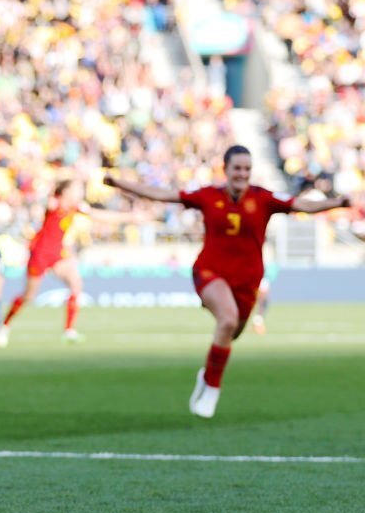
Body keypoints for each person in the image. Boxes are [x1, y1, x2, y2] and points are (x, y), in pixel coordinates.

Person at [105, 145, 351, 418]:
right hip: (211, 271)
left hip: (247, 280)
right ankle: (212, 387)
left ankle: (207, 374)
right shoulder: (208, 195)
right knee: (228, 320)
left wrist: (338, 203)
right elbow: (164, 194)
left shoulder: (264, 198)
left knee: (231, 332)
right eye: (237, 168)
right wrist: (119, 183)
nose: (242, 173)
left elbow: (303, 204)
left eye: (247, 169)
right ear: (226, 169)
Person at [0, 179, 89, 345]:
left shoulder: (75, 208)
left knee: (76, 283)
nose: (80, 192)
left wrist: (131, 217)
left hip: (57, 255)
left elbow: (102, 216)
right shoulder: (55, 204)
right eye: (76, 188)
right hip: (39, 254)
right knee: (29, 295)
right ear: (66, 191)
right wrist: (49, 193)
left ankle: (69, 331)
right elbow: (47, 203)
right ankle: (4, 326)